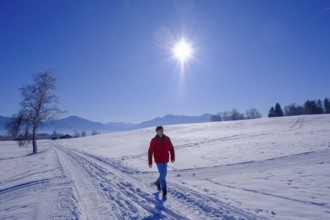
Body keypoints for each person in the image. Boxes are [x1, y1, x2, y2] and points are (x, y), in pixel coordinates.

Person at [148, 125, 175, 198]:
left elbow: (171, 148)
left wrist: (172, 157)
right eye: (159, 131)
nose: (161, 132)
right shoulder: (153, 140)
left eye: (162, 130)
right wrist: (150, 162)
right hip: (158, 160)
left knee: (164, 174)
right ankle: (164, 191)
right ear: (157, 132)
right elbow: (150, 151)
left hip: (165, 159)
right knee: (163, 175)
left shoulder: (167, 139)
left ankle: (157, 182)